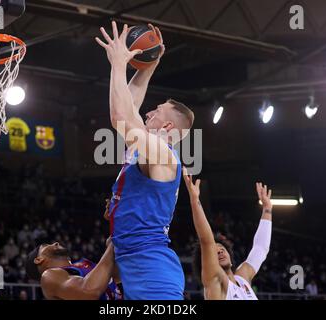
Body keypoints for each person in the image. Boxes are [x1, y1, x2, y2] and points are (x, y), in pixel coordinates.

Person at [95, 21, 194, 299]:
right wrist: (150, 63)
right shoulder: (149, 148)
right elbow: (129, 103)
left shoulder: (163, 154)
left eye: (158, 111)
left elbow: (120, 118)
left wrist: (117, 63)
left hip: (151, 266)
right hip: (136, 260)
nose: (149, 112)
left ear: (169, 129)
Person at [183, 169, 272, 300]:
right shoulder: (215, 281)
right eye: (215, 252)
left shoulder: (242, 279)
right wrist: (195, 200)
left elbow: (260, 248)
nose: (219, 252)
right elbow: (206, 241)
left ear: (231, 258)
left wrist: (267, 208)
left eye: (222, 250)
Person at [25, 241, 122, 300]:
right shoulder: (48, 277)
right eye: (46, 245)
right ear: (39, 259)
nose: (56, 243)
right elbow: (89, 293)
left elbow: (118, 281)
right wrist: (113, 243)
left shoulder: (84, 265)